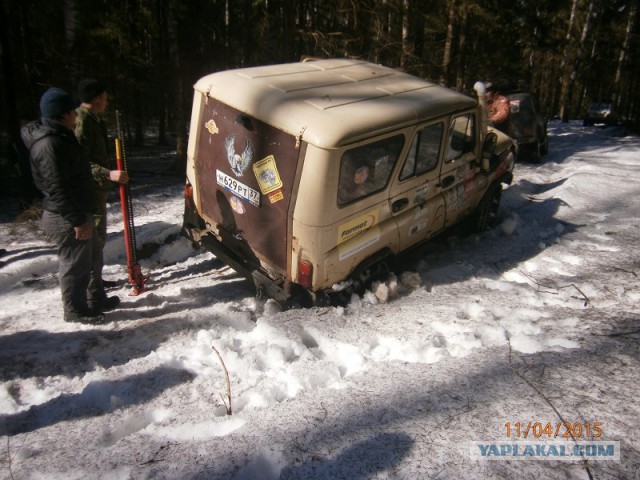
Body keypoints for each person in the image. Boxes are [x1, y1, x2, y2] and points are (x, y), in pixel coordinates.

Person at [21, 87, 120, 324]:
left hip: (78, 209)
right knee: (75, 265)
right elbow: (56, 187)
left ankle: (96, 299)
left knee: (93, 257)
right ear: (63, 114)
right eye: (72, 111)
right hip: (65, 215)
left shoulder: (60, 136)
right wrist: (76, 220)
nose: (76, 115)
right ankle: (75, 310)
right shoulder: (49, 145)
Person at [74, 78, 128, 288]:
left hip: (96, 188)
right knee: (93, 240)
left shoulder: (94, 119)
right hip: (89, 188)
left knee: (98, 238)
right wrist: (107, 173)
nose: (107, 102)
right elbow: (79, 162)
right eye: (105, 98)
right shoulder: (82, 122)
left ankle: (94, 280)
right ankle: (89, 286)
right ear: (96, 99)